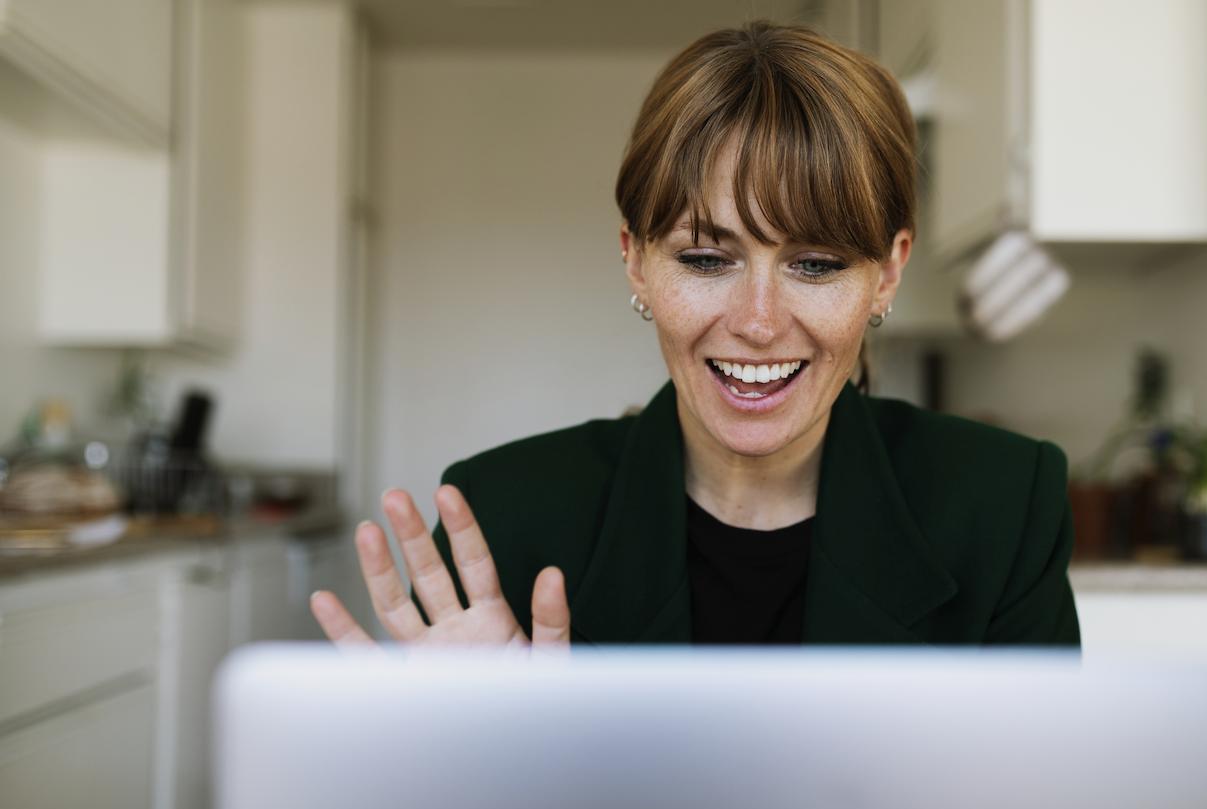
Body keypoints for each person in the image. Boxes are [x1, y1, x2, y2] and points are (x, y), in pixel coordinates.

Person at [310, 21, 1081, 652]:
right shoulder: (506, 516)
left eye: (815, 264)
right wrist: (469, 760)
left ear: (886, 274)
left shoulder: (1003, 506)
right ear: (636, 263)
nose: (757, 321)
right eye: (707, 258)